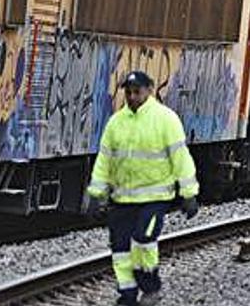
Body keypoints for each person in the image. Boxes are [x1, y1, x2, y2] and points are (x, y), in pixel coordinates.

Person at [86, 71, 200, 306]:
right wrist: (96, 195)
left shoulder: (166, 119)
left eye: (137, 91)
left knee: (143, 240)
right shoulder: (116, 123)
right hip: (121, 199)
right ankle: (127, 294)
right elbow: (104, 160)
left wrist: (189, 194)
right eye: (128, 92)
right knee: (120, 250)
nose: (131, 96)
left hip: (155, 197)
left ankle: (150, 287)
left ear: (149, 90)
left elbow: (181, 157)